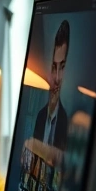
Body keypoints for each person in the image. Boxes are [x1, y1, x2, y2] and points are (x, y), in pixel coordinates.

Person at [32, 20, 70, 151]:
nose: (57, 78)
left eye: (62, 67)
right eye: (54, 67)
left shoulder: (66, 122)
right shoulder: (40, 116)